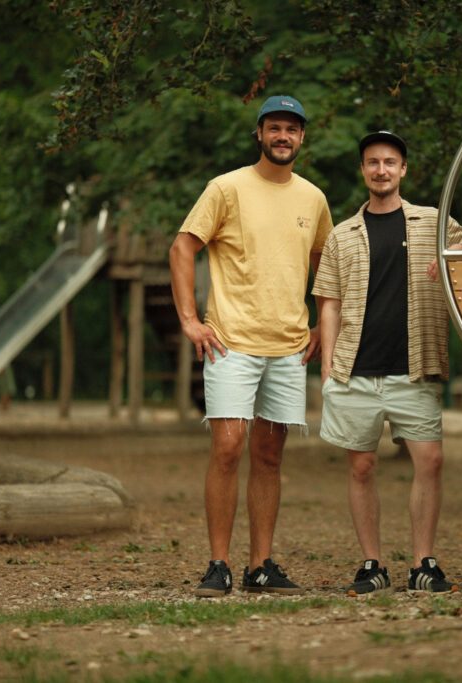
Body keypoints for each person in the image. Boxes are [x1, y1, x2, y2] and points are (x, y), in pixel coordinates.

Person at [169, 95, 333, 598]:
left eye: (292, 129)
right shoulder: (227, 188)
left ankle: (260, 565)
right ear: (259, 134)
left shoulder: (313, 198)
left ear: (302, 138)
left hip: (287, 347)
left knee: (269, 454)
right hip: (230, 342)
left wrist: (322, 325)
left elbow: (325, 261)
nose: (283, 137)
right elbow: (182, 246)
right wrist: (190, 320)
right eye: (274, 128)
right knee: (228, 447)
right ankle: (218, 563)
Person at [313, 130, 462, 597]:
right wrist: (328, 367)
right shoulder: (341, 235)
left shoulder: (432, 223)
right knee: (362, 467)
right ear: (364, 170)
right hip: (356, 367)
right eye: (373, 162)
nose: (381, 170)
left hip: (415, 366)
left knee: (430, 460)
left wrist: (450, 259)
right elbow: (328, 303)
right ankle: (371, 563)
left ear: (403, 169)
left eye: (390, 162)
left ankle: (422, 564)